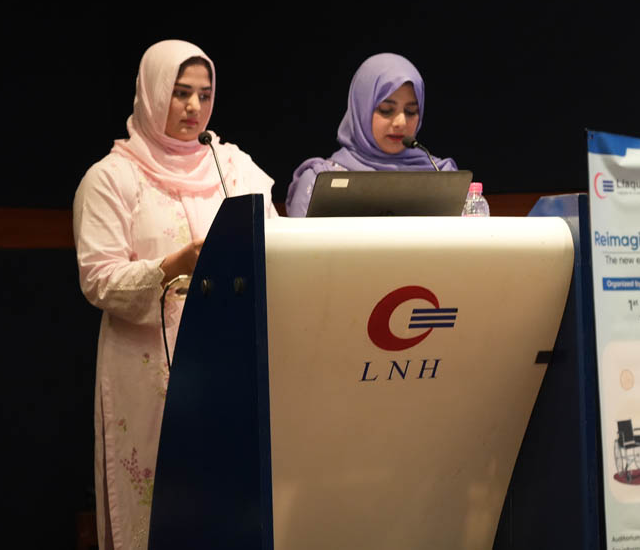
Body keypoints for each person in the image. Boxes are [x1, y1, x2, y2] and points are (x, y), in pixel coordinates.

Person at [73, 40, 276, 550]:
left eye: (204, 95)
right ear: (151, 92)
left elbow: (276, 238)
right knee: (159, 506)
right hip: (147, 371)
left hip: (231, 362)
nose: (193, 107)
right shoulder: (112, 178)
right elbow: (98, 278)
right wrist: (173, 267)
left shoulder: (233, 167)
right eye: (180, 93)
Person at [284, 53, 457, 217]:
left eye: (411, 111)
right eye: (386, 110)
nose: (401, 122)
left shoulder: (441, 177)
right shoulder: (320, 181)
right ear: (361, 110)